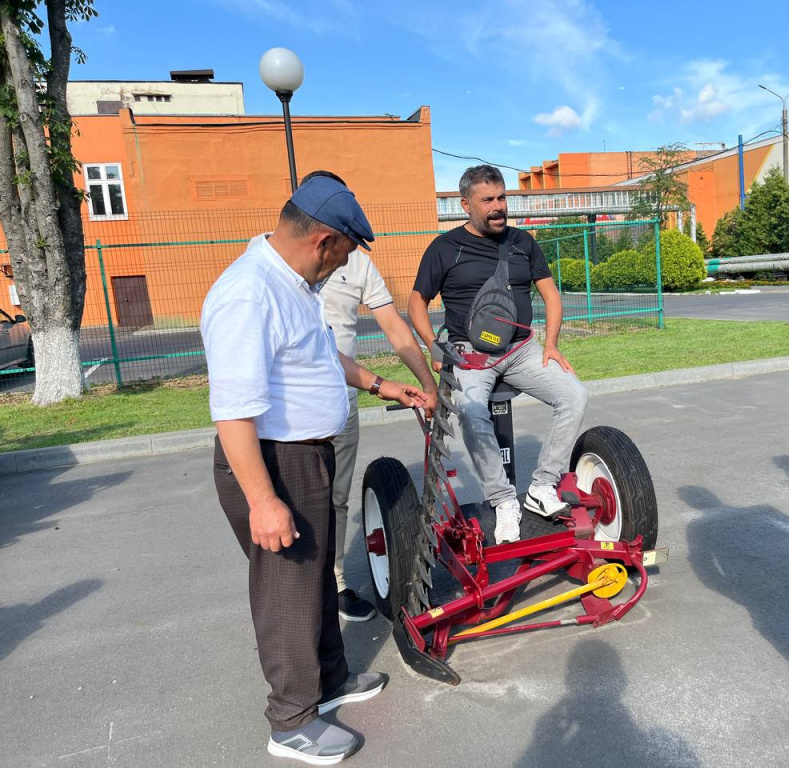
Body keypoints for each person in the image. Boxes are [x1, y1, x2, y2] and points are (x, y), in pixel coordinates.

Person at [201, 175, 428, 765]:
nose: (340, 268)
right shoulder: (249, 293)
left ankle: (328, 684)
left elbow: (324, 360)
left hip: (307, 455)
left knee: (316, 580)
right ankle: (292, 722)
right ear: (325, 240)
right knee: (286, 592)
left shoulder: (291, 284)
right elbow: (233, 413)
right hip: (274, 464)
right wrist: (263, 501)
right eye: (343, 255)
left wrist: (384, 384)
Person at [408, 164, 589, 544]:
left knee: (574, 394)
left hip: (521, 349)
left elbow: (551, 296)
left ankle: (543, 487)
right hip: (470, 352)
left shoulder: (523, 243)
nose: (497, 206)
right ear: (465, 205)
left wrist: (551, 343)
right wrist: (434, 348)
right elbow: (416, 303)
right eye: (487, 199)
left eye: (502, 197)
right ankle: (503, 500)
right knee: (473, 412)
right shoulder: (445, 248)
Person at [301, 171, 438, 623]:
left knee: (336, 497)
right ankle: (298, 592)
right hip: (291, 408)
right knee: (294, 501)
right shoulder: (276, 258)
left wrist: (428, 382)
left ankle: (334, 581)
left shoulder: (355, 260)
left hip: (342, 399)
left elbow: (394, 326)